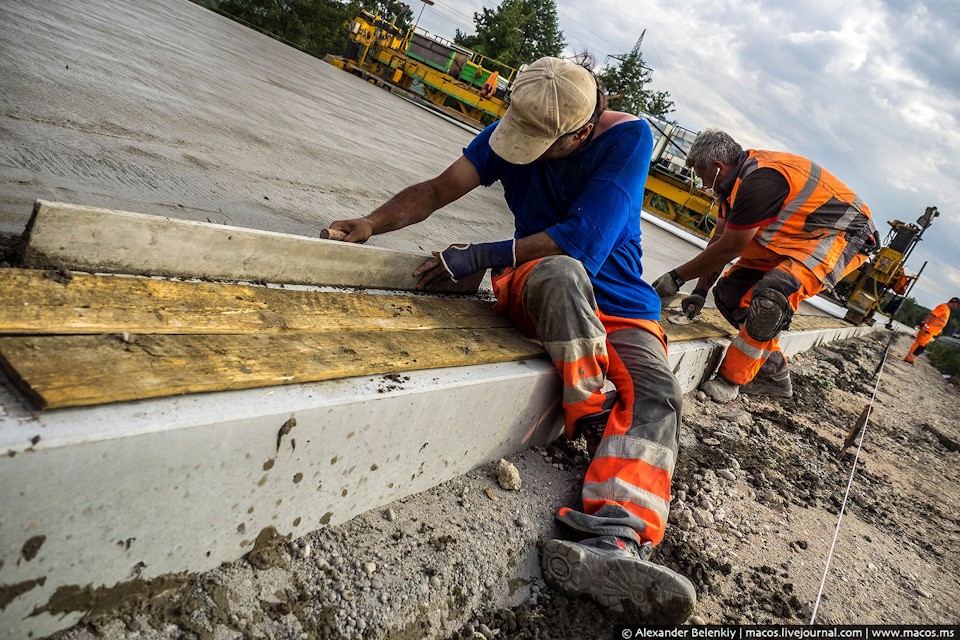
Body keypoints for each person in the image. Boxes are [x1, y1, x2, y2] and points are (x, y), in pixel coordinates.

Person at [330, 56, 696, 623]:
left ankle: (613, 539)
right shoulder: (516, 130)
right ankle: (593, 418)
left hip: (621, 306)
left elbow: (582, 241)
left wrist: (478, 255)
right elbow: (437, 188)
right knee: (558, 276)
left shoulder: (628, 141)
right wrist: (372, 223)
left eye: (540, 144)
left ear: (581, 131)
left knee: (658, 394)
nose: (521, 150)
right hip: (540, 286)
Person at [652, 129, 877, 402]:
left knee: (773, 297)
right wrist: (700, 290)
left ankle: (732, 379)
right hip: (797, 237)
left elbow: (731, 248)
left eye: (702, 176)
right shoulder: (731, 187)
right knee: (730, 293)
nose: (703, 184)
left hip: (842, 234)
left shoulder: (761, 180)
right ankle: (773, 373)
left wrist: (675, 278)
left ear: (717, 167)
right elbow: (719, 241)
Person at [905, 297, 959, 362]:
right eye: (957, 306)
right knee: (920, 345)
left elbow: (939, 321)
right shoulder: (943, 307)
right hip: (927, 330)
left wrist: (939, 330)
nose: (957, 307)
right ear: (954, 303)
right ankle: (909, 358)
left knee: (921, 346)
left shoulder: (947, 309)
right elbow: (932, 314)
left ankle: (910, 358)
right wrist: (924, 323)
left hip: (931, 331)